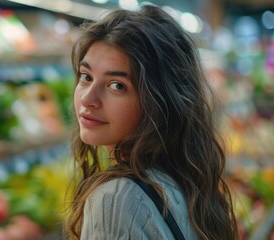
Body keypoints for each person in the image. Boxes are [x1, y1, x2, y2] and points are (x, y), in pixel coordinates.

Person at [65, 4, 238, 240]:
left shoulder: (115, 200)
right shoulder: (185, 182)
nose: (87, 98)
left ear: (159, 102)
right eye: (86, 77)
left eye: (117, 85)